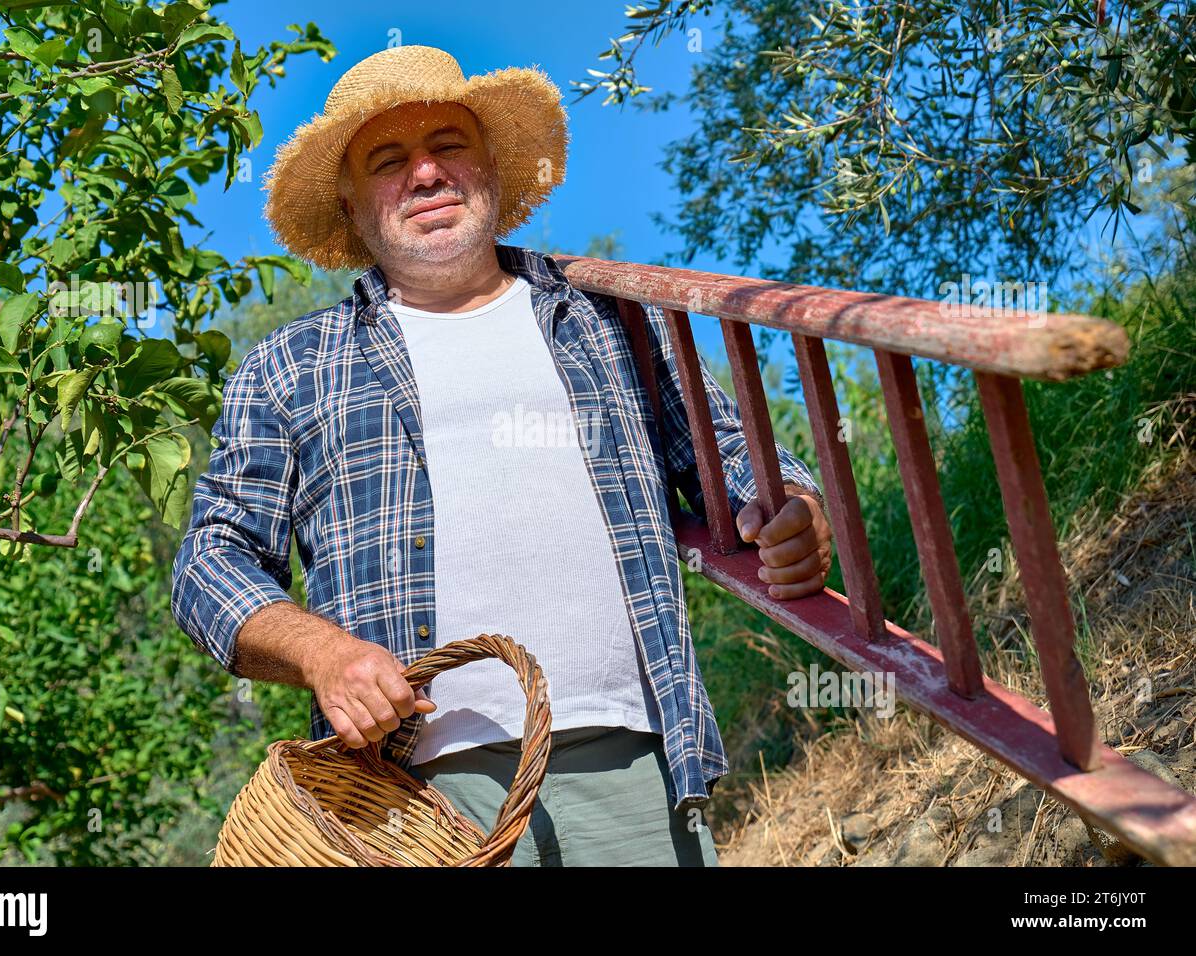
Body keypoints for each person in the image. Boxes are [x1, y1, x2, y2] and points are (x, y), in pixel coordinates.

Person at [171, 44, 833, 867]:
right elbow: (210, 561)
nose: (425, 174)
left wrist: (795, 509)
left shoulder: (608, 319)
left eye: (448, 145)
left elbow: (730, 453)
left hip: (635, 762)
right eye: (388, 159)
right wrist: (325, 656)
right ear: (349, 201)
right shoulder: (290, 367)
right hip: (406, 801)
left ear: (489, 165)